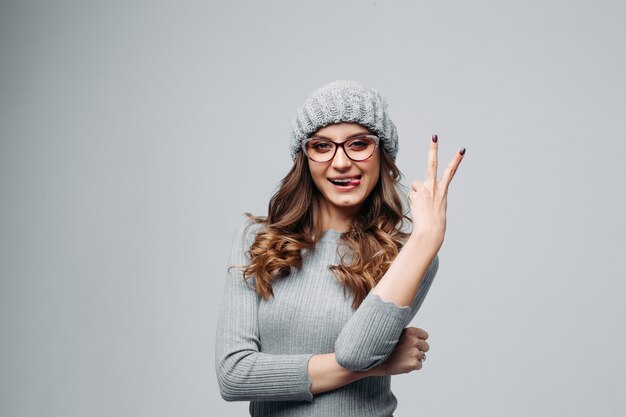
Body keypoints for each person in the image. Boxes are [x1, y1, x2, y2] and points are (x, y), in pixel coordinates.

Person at [215, 79, 465, 416]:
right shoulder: (258, 240)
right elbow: (234, 376)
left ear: (382, 154)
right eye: (322, 146)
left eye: (358, 144)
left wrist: (425, 239)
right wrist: (380, 364)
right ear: (304, 157)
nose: (341, 162)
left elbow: (356, 352)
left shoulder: (409, 255)